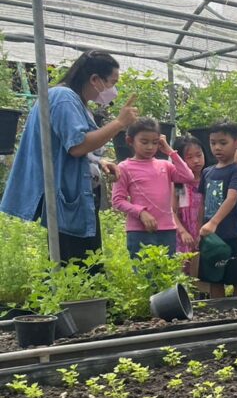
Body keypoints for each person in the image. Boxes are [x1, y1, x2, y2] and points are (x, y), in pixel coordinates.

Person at [1, 50, 138, 263]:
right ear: (95, 79)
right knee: (75, 263)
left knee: (86, 262)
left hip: (76, 197)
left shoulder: (74, 101)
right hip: (66, 197)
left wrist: (98, 161)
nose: (113, 90)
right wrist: (119, 123)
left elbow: (66, 145)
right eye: (112, 83)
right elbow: (77, 145)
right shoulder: (63, 98)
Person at [110, 117, 194, 257]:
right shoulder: (124, 167)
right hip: (139, 232)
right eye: (144, 142)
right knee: (144, 270)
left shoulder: (165, 165)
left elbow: (188, 176)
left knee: (167, 269)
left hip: (167, 230)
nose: (150, 147)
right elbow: (117, 200)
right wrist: (141, 212)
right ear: (130, 141)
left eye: (155, 142)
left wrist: (170, 151)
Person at [198, 120, 237, 298]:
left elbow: (232, 197)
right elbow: (202, 202)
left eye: (223, 143)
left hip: (233, 234)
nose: (217, 147)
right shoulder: (207, 172)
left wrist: (213, 222)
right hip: (211, 238)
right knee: (214, 279)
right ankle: (218, 312)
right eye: (213, 143)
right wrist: (199, 228)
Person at [172, 133, 206, 276]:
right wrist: (182, 232)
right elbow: (173, 210)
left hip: (204, 233)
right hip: (183, 235)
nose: (196, 161)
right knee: (183, 272)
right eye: (189, 157)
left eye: (199, 155)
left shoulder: (208, 179)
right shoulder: (180, 184)